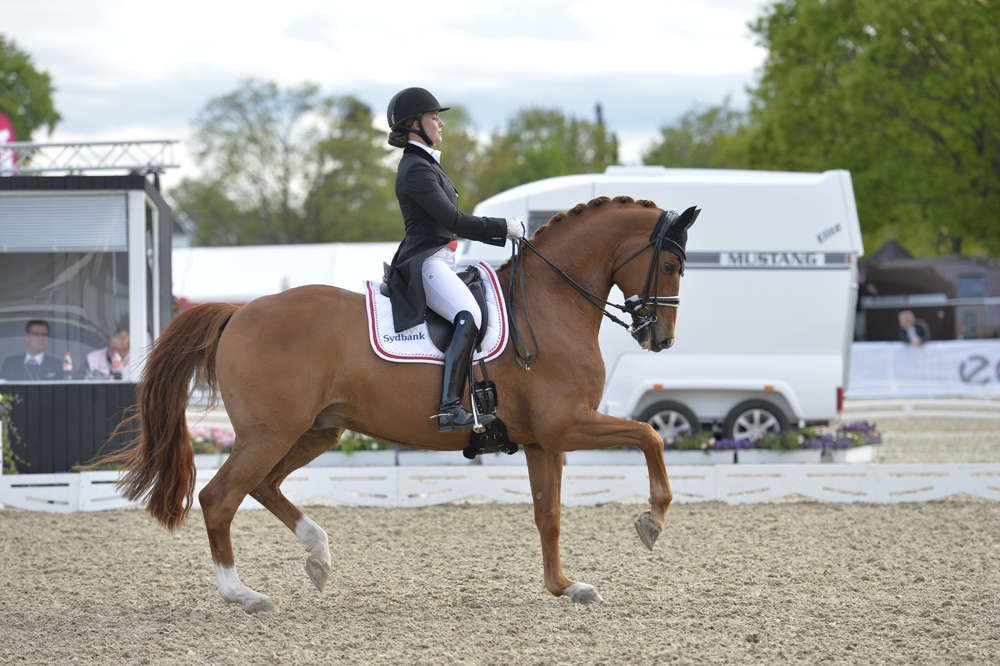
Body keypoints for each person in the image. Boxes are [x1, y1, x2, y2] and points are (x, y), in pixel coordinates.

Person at [384, 87, 525, 433]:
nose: (440, 123)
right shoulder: (416, 169)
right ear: (415, 124)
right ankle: (449, 407)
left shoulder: (426, 163)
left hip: (442, 259)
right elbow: (453, 221)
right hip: (426, 262)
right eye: (434, 117)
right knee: (470, 314)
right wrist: (503, 228)